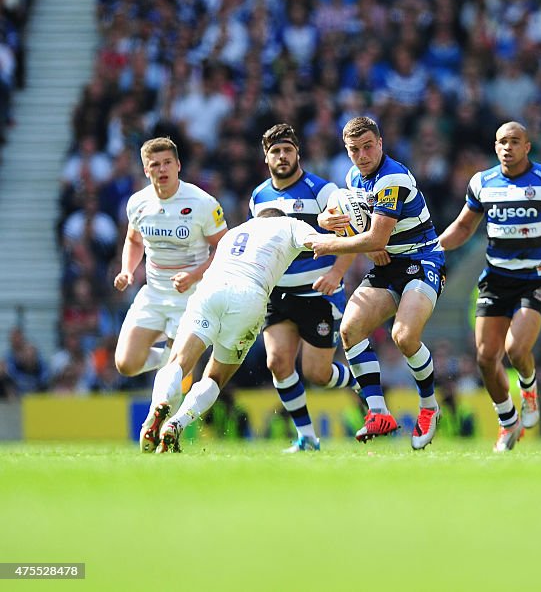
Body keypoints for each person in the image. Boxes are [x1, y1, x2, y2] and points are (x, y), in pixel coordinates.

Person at [438, 121, 541, 451]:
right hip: (495, 280)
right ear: (495, 148)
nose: (507, 147)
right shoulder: (482, 183)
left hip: (533, 279)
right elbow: (464, 227)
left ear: (527, 146)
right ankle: (507, 421)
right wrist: (433, 247)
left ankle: (528, 389)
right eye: (501, 142)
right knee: (484, 357)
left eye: (514, 141)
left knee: (516, 349)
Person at [310, 116, 446, 450]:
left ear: (381, 143)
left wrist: (328, 243)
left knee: (403, 336)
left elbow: (375, 237)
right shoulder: (353, 176)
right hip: (388, 264)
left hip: (422, 259)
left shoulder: (392, 178)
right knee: (351, 329)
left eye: (368, 146)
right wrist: (322, 219)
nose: (362, 155)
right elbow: (342, 217)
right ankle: (378, 412)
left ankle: (429, 406)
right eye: (354, 149)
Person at [150, 209, 320, 453]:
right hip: (248, 295)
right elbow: (318, 242)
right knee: (215, 377)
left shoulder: (236, 231)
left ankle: (160, 404)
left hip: (211, 289)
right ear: (279, 217)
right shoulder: (289, 224)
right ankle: (177, 422)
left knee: (178, 362)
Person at [249, 124, 358, 453]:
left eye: (288, 150)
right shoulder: (258, 197)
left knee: (317, 373)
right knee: (277, 363)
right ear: (266, 157)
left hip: (317, 294)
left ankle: (360, 383)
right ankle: (307, 437)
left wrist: (337, 273)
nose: (282, 156)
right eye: (275, 151)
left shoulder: (322, 191)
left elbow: (352, 236)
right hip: (278, 294)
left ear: (298, 153)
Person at [115, 137, 227, 451]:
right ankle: (171, 359)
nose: (161, 169)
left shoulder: (202, 203)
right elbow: (134, 241)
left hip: (191, 297)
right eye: (155, 164)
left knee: (176, 373)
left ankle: (157, 423)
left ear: (178, 165)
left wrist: (194, 274)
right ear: (145, 169)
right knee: (125, 363)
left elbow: (225, 247)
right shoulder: (138, 203)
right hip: (153, 293)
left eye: (167, 163)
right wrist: (127, 270)